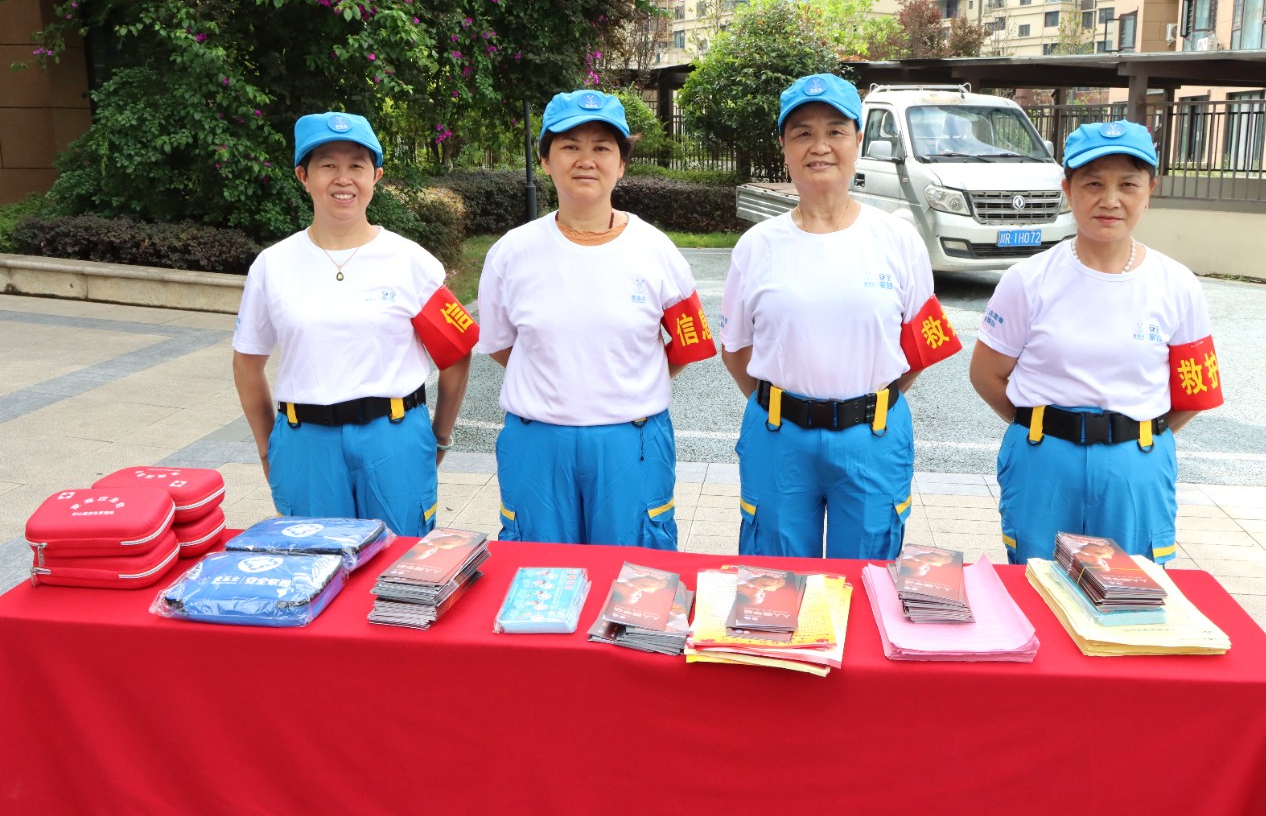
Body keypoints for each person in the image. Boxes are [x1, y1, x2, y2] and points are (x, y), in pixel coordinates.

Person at [720, 73, 963, 561]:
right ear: (784, 147)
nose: (820, 146)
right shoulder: (757, 246)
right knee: (778, 581)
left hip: (872, 438)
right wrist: (788, 407)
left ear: (858, 140)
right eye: (803, 133)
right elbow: (737, 350)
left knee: (868, 576)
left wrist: (865, 403)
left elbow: (919, 346)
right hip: (779, 440)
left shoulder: (898, 240)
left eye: (835, 131)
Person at [969, 120, 1224, 565]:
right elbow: (986, 374)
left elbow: (1196, 390)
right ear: (1067, 190)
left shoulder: (1177, 284)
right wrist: (1041, 427)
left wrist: (1135, 435)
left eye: (1128, 184)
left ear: (1150, 190)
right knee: (1039, 584)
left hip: (1136, 467)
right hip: (1043, 464)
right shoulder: (1028, 279)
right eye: (1092, 183)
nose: (1110, 200)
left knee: (1131, 588)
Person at [475, 89, 716, 548]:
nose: (586, 160)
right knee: (539, 571)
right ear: (545, 159)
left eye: (602, 148)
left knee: (635, 574)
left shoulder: (656, 250)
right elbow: (502, 344)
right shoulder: (511, 253)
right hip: (537, 443)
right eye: (570, 146)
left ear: (621, 164)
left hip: (632, 443)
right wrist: (560, 379)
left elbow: (689, 343)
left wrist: (629, 380)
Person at [232, 112, 475, 536]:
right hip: (306, 445)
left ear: (375, 176)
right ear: (304, 176)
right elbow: (247, 361)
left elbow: (456, 351)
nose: (343, 179)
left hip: (394, 439)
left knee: (401, 563)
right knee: (314, 562)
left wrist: (439, 435)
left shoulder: (410, 261)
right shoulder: (273, 265)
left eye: (356, 166)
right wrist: (268, 444)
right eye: (328, 165)